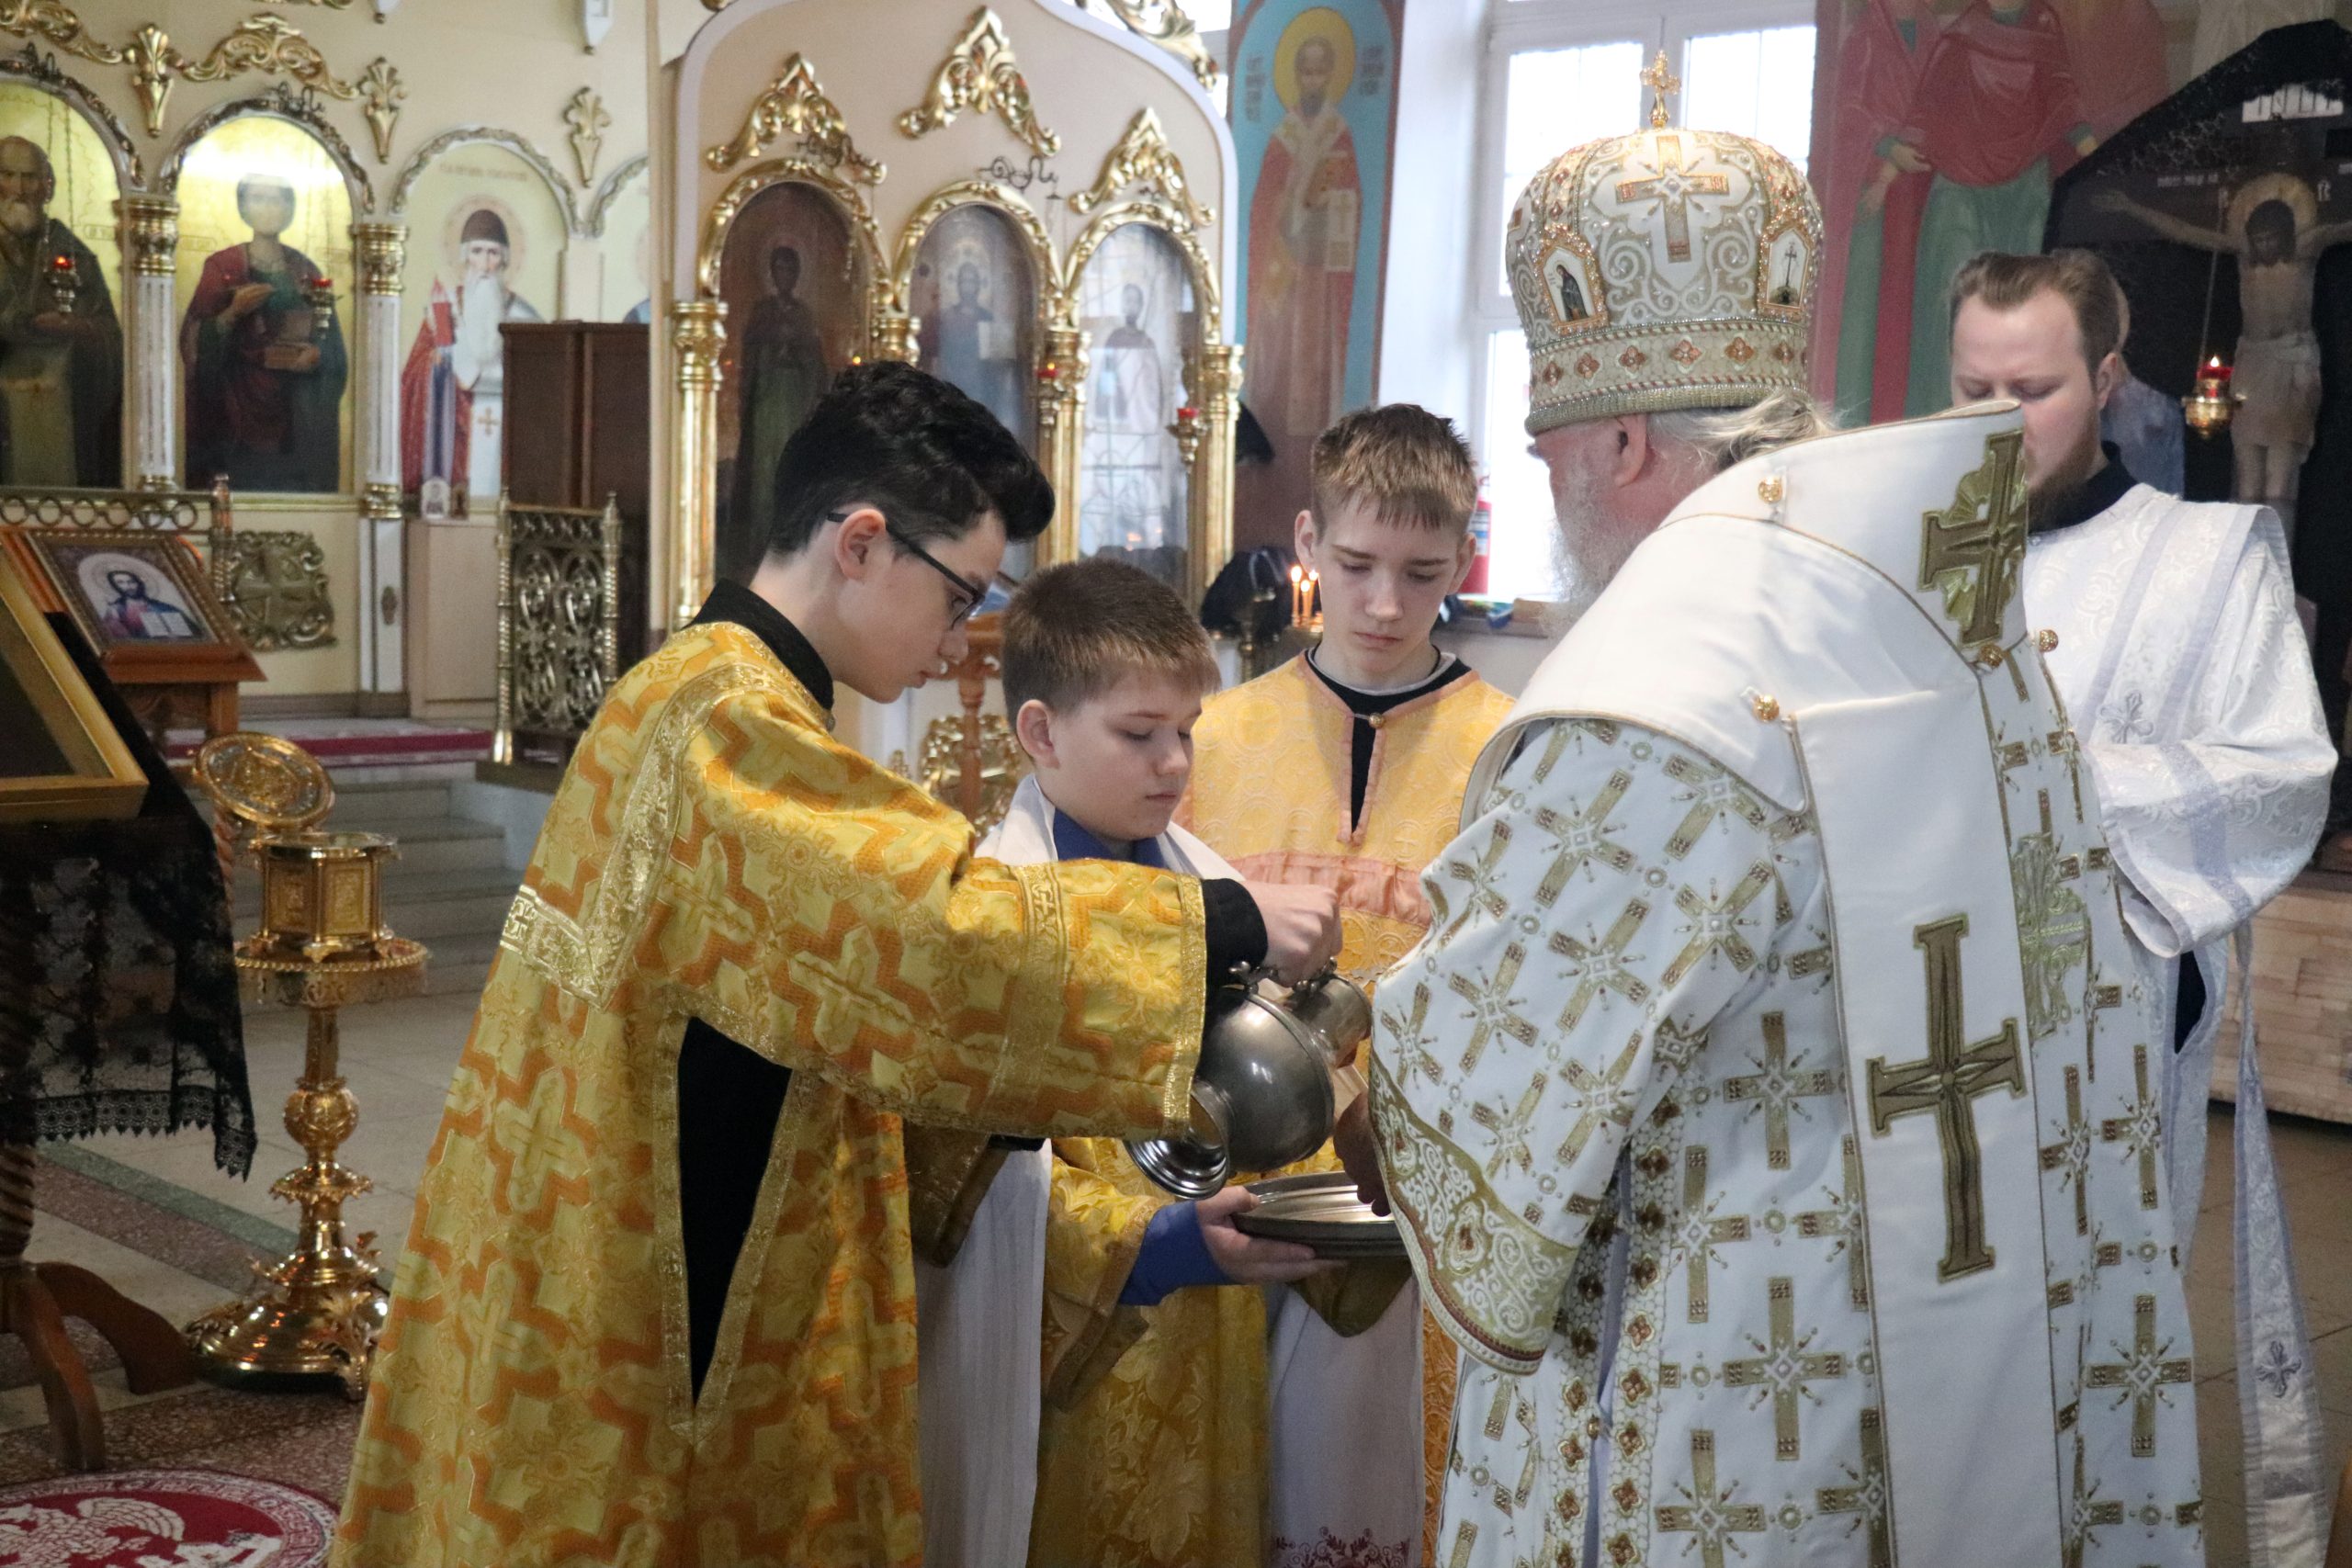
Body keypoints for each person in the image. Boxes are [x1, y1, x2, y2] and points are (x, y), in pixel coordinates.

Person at [1337, 103, 2210, 1567]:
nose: (1551, 487)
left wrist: (1373, 1070)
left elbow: (1498, 1109)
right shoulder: (1943, 611)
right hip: (1954, 1335)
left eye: (1549, 453)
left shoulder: (1652, 681)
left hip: (1718, 1383)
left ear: (1623, 436)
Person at [333, 363, 1341, 1568]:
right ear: (862, 543)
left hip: (617, 1236)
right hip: (662, 1294)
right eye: (958, 592)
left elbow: (840, 1009)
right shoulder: (726, 722)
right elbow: (932, 942)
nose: (958, 636)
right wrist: (1224, 921)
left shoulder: (704, 695)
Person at [1949, 247, 2334, 1557]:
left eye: (2033, 390)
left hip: (2096, 1046)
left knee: (2075, 1364)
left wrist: (2036, 778)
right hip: (1912, 1034)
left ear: (2108, 378)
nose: (1997, 421)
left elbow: (2278, 773)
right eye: (1971, 389)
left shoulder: (2204, 558)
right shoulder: (1907, 559)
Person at [910, 558, 1333, 1568]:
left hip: (1215, 1350)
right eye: (1139, 734)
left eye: (1186, 731)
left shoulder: (1214, 888)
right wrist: (1160, 1245)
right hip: (1069, 1375)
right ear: (1042, 732)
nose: (1174, 763)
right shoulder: (991, 916)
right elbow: (965, 1184)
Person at [1175, 404, 1515, 1568]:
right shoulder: (1212, 741)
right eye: (1357, 566)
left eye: (1421, 574)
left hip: (1424, 1202)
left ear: (1463, 557)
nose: (1381, 605)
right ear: (1308, 541)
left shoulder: (1513, 753)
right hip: (1241, 1197)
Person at [2094, 178, 2352, 542]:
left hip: (2291, 361)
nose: (2263, 246)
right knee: (2246, 476)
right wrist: (2133, 208)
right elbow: (2184, 231)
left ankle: (2279, 564)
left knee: (2280, 480)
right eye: (2258, 239)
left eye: (2270, 239)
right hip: (2253, 362)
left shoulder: (2306, 246)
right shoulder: (2244, 251)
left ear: (2287, 234)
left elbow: (2344, 228)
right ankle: (2243, 559)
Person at [1896, 0, 2097, 414]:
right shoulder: (1961, 38)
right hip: (1962, 182)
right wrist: (1889, 162)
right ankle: (1943, 415)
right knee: (1951, 297)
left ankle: (2020, 412)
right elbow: (1928, 105)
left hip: (2023, 185)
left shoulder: (2044, 27)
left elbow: (2061, 95)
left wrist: (2094, 152)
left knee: (2031, 298)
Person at [1245, 25, 1361, 514]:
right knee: (1277, 385)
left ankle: (1312, 479)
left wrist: (1325, 213)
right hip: (1285, 276)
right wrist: (1289, 212)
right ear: (1295, 75)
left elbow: (1351, 199)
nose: (1313, 80)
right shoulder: (1284, 135)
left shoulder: (1338, 133)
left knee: (1315, 393)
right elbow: (1263, 205)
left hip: (1319, 281)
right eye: (1306, 71)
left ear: (1330, 76)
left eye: (1320, 71)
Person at [182, 174, 347, 492]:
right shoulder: (222, 266)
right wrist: (232, 313)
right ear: (243, 207)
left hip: (296, 414)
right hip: (237, 413)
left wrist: (318, 356)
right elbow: (193, 341)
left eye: (278, 199)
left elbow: (331, 343)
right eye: (258, 198)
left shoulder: (305, 269)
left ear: (290, 208)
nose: (269, 208)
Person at [399, 207, 546, 514]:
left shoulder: (525, 316)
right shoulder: (443, 309)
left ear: (504, 259)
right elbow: (413, 376)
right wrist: (437, 364)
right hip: (453, 438)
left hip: (508, 438)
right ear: (465, 257)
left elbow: (542, 383)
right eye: (477, 251)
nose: (486, 264)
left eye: (493, 253)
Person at [0, 136, 119, 486]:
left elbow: (111, 339)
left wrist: (76, 328)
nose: (18, 189)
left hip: (62, 410)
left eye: (30, 177)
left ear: (47, 187)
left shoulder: (72, 252)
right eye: (7, 175)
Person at [723, 244, 831, 575]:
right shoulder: (762, 312)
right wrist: (772, 352)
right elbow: (750, 360)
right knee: (764, 474)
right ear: (772, 274)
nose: (784, 276)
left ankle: (791, 545)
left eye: (789, 270)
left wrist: (797, 353)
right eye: (779, 269)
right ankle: (760, 544)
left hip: (795, 400)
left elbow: (816, 365)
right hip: (767, 404)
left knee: (792, 470)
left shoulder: (803, 315)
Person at [97, 568, 196, 640]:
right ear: (115, 586)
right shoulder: (116, 610)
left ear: (139, 583)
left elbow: (194, 633)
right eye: (121, 583)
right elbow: (118, 639)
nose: (128, 586)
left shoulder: (163, 607)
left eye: (132, 582)